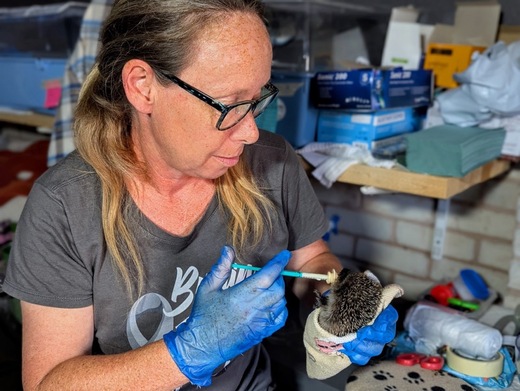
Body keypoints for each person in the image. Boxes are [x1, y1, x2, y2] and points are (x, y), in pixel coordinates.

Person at [3, 1, 398, 390]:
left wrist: (338, 307)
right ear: (142, 87)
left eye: (258, 98)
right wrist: (191, 351)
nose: (251, 133)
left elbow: (312, 260)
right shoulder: (64, 206)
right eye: (229, 105)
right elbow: (48, 383)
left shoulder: (274, 164)